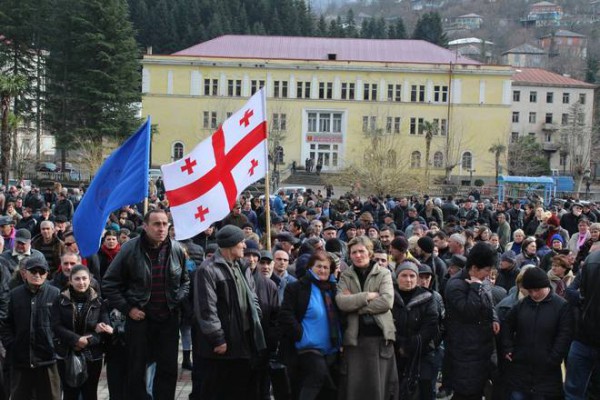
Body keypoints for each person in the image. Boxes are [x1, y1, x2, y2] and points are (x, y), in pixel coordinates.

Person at [102, 209, 190, 400]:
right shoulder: (129, 249)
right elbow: (109, 284)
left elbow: (185, 281)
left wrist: (175, 300)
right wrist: (128, 309)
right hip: (140, 320)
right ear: (145, 226)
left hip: (168, 319)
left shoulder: (176, 249)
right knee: (137, 370)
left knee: (167, 370)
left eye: (165, 224)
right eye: (156, 224)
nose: (161, 228)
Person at [193, 225, 266, 399]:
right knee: (220, 390)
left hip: (244, 338)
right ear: (230, 244)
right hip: (223, 344)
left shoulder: (242, 267)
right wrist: (217, 338)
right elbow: (206, 309)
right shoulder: (207, 269)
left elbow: (252, 296)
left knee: (241, 388)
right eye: (241, 242)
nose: (244, 246)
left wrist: (257, 317)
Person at [336, 236, 398, 400]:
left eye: (361, 251)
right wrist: (367, 296)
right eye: (354, 252)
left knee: (379, 390)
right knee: (354, 390)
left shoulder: (383, 273)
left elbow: (386, 302)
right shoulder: (345, 276)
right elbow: (341, 302)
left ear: (369, 253)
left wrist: (355, 304)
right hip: (355, 340)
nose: (358, 255)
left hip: (379, 339)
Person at [501, 267, 573, 400]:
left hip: (547, 373)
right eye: (530, 291)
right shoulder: (522, 305)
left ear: (546, 286)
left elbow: (564, 336)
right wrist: (508, 347)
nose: (533, 294)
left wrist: (553, 358)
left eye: (537, 290)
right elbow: (507, 324)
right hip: (521, 369)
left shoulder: (561, 306)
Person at [278, 250, 342, 399]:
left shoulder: (333, 289)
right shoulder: (297, 287)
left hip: (330, 350)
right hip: (307, 348)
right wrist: (301, 335)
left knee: (329, 390)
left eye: (326, 267)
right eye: (319, 266)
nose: (323, 270)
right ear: (310, 268)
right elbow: (286, 314)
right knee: (316, 378)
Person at [444, 242, 499, 400]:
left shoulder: (483, 281)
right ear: (474, 268)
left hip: (482, 347)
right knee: (465, 392)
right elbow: (469, 312)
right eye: (486, 271)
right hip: (465, 349)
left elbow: (489, 303)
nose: (488, 275)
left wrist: (494, 318)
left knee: (478, 390)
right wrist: (475, 287)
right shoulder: (455, 285)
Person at [0, 257, 61, 400]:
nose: (37, 275)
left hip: (48, 360)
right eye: (33, 271)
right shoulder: (14, 294)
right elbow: (6, 323)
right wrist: (11, 344)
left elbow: (62, 324)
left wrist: (55, 345)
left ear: (47, 274)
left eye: (41, 271)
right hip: (21, 360)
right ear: (24, 273)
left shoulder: (55, 294)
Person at [54, 265, 113, 400]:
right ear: (70, 280)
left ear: (90, 279)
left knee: (90, 393)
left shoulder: (98, 302)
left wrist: (88, 340)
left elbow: (105, 329)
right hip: (67, 353)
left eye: (84, 278)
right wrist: (76, 339)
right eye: (77, 279)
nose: (81, 282)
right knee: (69, 393)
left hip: (92, 355)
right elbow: (56, 326)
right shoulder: (60, 300)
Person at [392, 261, 439, 400]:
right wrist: (399, 344)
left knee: (423, 389)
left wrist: (410, 345)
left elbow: (431, 324)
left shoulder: (428, 298)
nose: (408, 279)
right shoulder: (390, 295)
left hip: (422, 352)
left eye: (412, 276)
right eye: (404, 275)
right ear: (397, 277)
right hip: (395, 352)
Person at [565, 243, 600, 400]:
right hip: (584, 336)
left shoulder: (591, 260)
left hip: (583, 335)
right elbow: (572, 291)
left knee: (575, 390)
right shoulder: (592, 261)